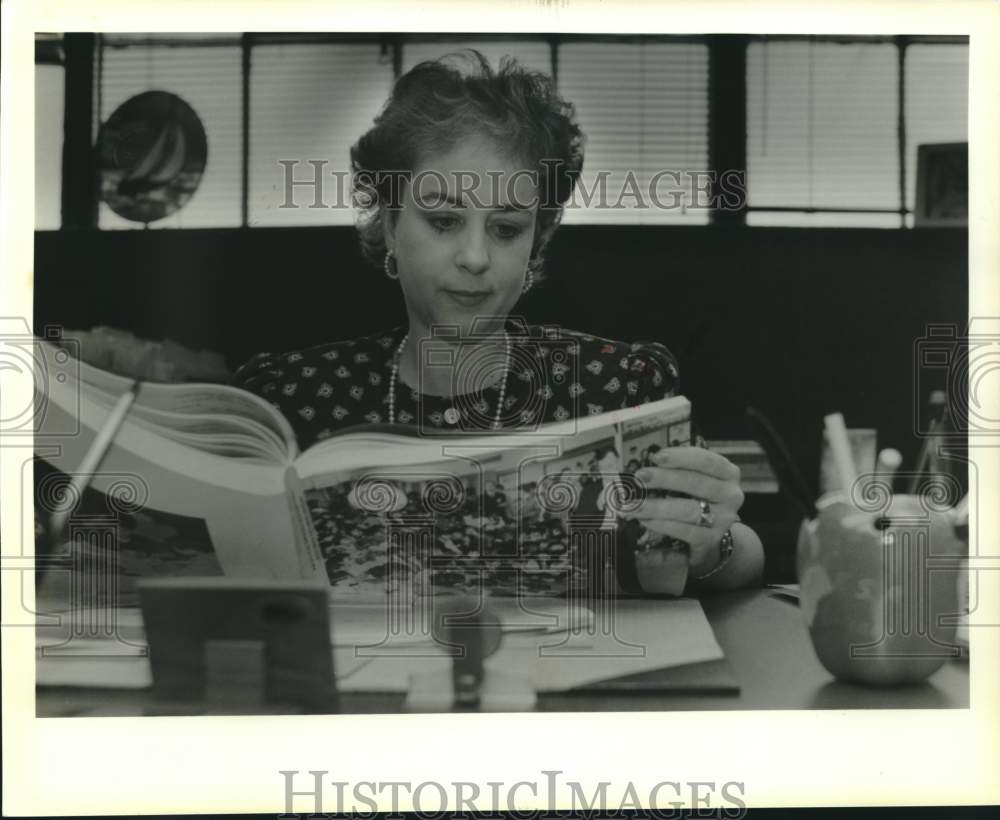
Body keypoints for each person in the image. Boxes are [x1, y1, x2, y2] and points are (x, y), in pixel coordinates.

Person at [233, 50, 763, 590]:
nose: (475, 257)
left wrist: (711, 542)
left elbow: (740, 554)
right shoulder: (291, 400)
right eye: (443, 220)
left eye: (506, 229)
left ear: (537, 242)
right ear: (390, 224)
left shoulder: (621, 389)